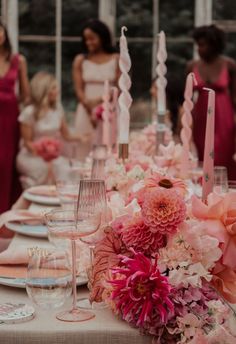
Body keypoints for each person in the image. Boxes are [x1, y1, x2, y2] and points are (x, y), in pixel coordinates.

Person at [17, 71, 86, 189]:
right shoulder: (29, 112)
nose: (57, 91)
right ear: (44, 90)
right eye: (54, 88)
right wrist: (44, 155)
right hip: (31, 155)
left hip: (52, 155)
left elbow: (67, 135)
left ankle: (60, 202)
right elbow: (27, 142)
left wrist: (83, 137)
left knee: (68, 170)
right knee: (43, 169)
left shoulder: (58, 109)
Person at [187, 24, 236, 179]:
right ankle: (204, 193)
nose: (199, 49)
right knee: (202, 156)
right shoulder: (192, 66)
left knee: (224, 156)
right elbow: (186, 98)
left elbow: (235, 97)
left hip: (224, 118)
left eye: (202, 45)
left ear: (214, 45)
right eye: (197, 45)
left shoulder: (229, 65)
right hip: (200, 117)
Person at [73, 19, 120, 161]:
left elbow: (119, 87)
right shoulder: (80, 60)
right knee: (85, 148)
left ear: (102, 37)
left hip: (109, 109)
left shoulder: (116, 58)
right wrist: (89, 108)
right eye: (86, 39)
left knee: (108, 147)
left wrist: (100, 102)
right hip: (85, 110)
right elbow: (78, 88)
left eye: (92, 38)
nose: (89, 42)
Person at [0, 21, 30, 214]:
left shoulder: (18, 60)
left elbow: (26, 95)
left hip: (9, 120)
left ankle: (3, 214)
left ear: (4, 33)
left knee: (5, 163)